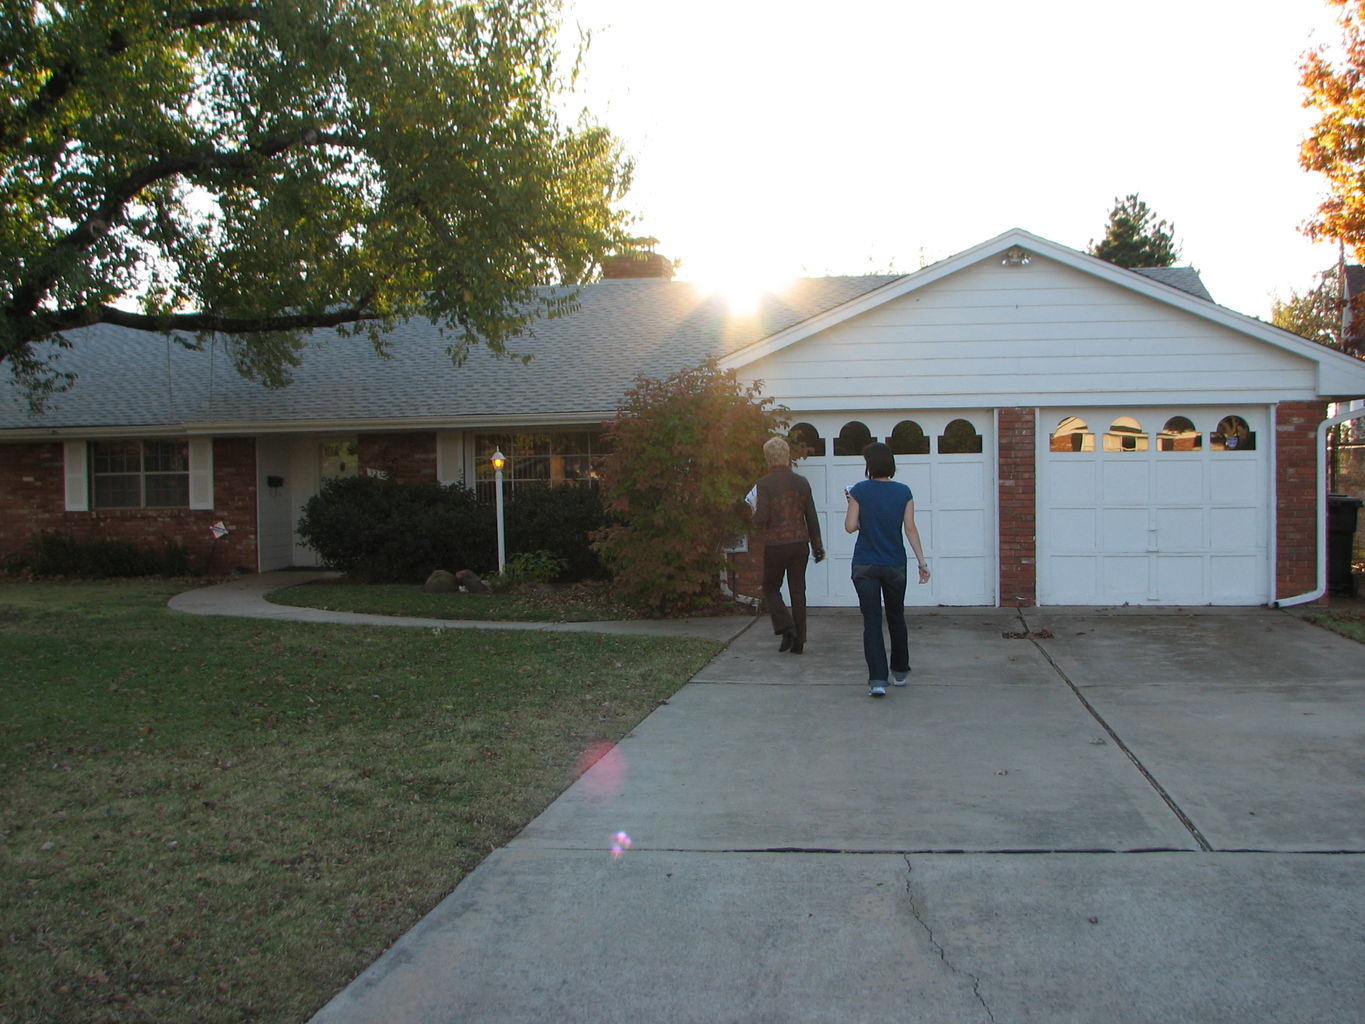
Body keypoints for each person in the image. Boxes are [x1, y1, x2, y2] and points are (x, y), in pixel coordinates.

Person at [844, 441, 930, 697]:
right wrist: (922, 563)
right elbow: (910, 528)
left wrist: (855, 508)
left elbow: (850, 526)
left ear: (869, 465)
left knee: (871, 621)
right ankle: (900, 671)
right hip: (894, 564)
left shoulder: (859, 490)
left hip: (865, 565)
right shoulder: (904, 491)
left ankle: (878, 680)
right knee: (896, 615)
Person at [752, 436, 825, 654]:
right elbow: (811, 516)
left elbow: (761, 518)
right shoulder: (802, 482)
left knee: (770, 587)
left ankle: (786, 626)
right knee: (798, 590)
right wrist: (817, 545)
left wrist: (752, 510)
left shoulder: (763, 484)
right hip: (799, 543)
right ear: (787, 456)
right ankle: (798, 640)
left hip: (775, 545)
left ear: (768, 458)